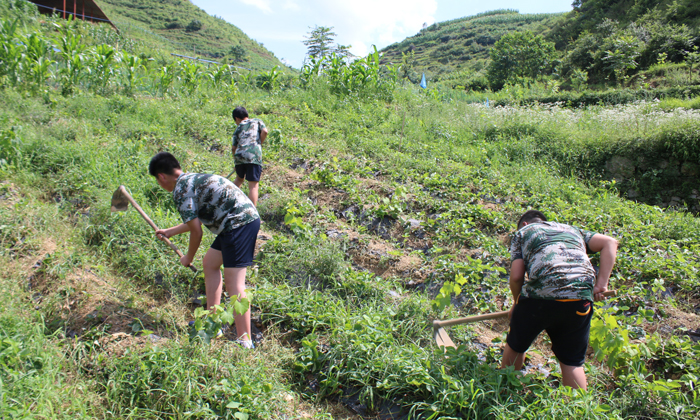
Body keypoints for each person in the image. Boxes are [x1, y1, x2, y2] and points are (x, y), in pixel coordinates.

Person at [149, 151, 260, 348]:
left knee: (235, 284)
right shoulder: (191, 180)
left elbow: (196, 232)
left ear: (161, 176)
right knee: (210, 263)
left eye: (158, 182)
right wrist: (170, 232)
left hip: (238, 223)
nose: (161, 185)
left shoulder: (181, 190)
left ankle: (245, 342)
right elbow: (195, 221)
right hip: (236, 222)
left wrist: (188, 258)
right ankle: (213, 323)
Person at [501, 210, 618, 390]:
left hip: (540, 296)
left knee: (516, 345)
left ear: (525, 224)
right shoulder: (573, 230)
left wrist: (517, 303)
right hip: (580, 298)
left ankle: (502, 391)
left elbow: (516, 277)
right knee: (572, 361)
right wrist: (601, 284)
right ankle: (576, 411)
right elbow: (610, 242)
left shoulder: (524, 232)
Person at [231, 106, 267, 206]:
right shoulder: (257, 121)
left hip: (239, 155)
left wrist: (236, 161)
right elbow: (265, 131)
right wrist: (259, 143)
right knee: (253, 186)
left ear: (237, 118)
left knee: (239, 179)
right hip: (253, 156)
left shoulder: (238, 128)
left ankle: (226, 200)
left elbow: (234, 148)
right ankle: (252, 215)